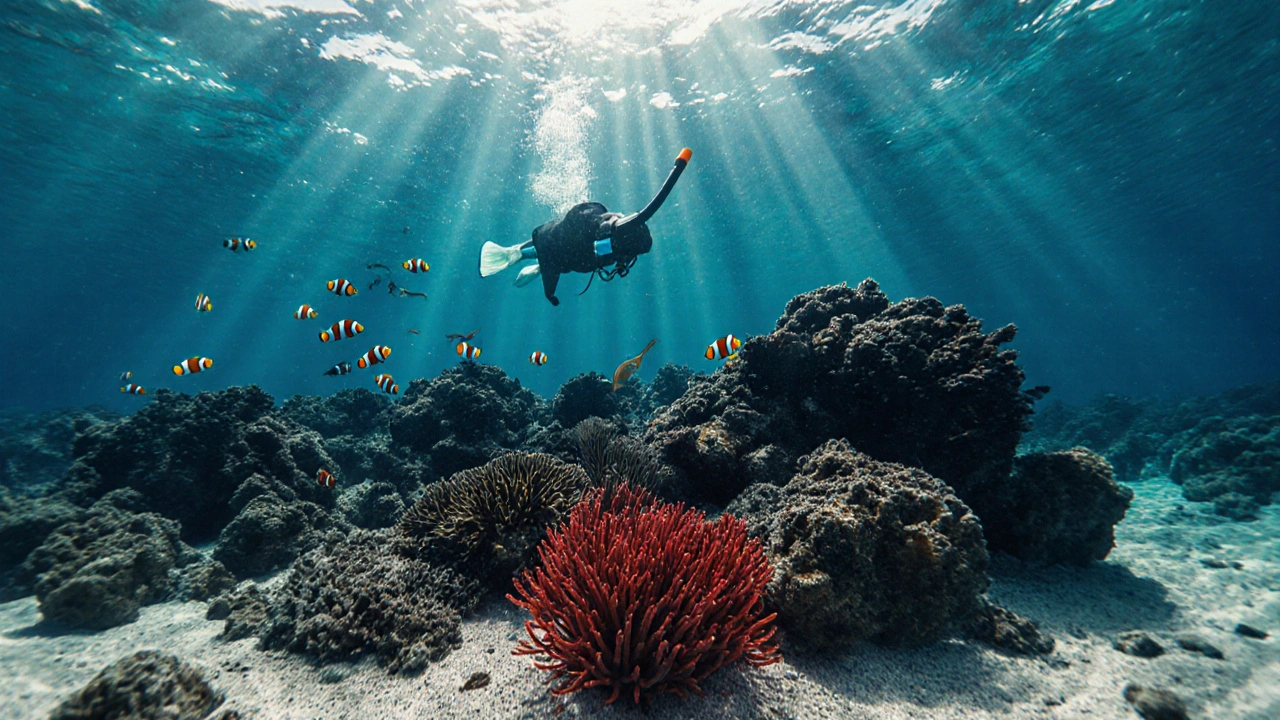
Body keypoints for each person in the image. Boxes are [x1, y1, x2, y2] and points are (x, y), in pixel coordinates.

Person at [479, 148, 691, 306]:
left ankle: (530, 260)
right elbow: (563, 232)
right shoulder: (584, 223)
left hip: (569, 258)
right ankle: (520, 253)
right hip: (557, 247)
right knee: (547, 249)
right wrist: (550, 292)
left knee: (552, 255)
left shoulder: (621, 247)